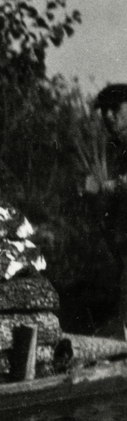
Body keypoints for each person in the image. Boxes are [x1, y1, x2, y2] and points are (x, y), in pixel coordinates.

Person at [86, 84, 127, 338]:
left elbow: (114, 186)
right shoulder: (114, 147)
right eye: (104, 110)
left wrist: (115, 186)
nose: (109, 116)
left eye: (116, 108)